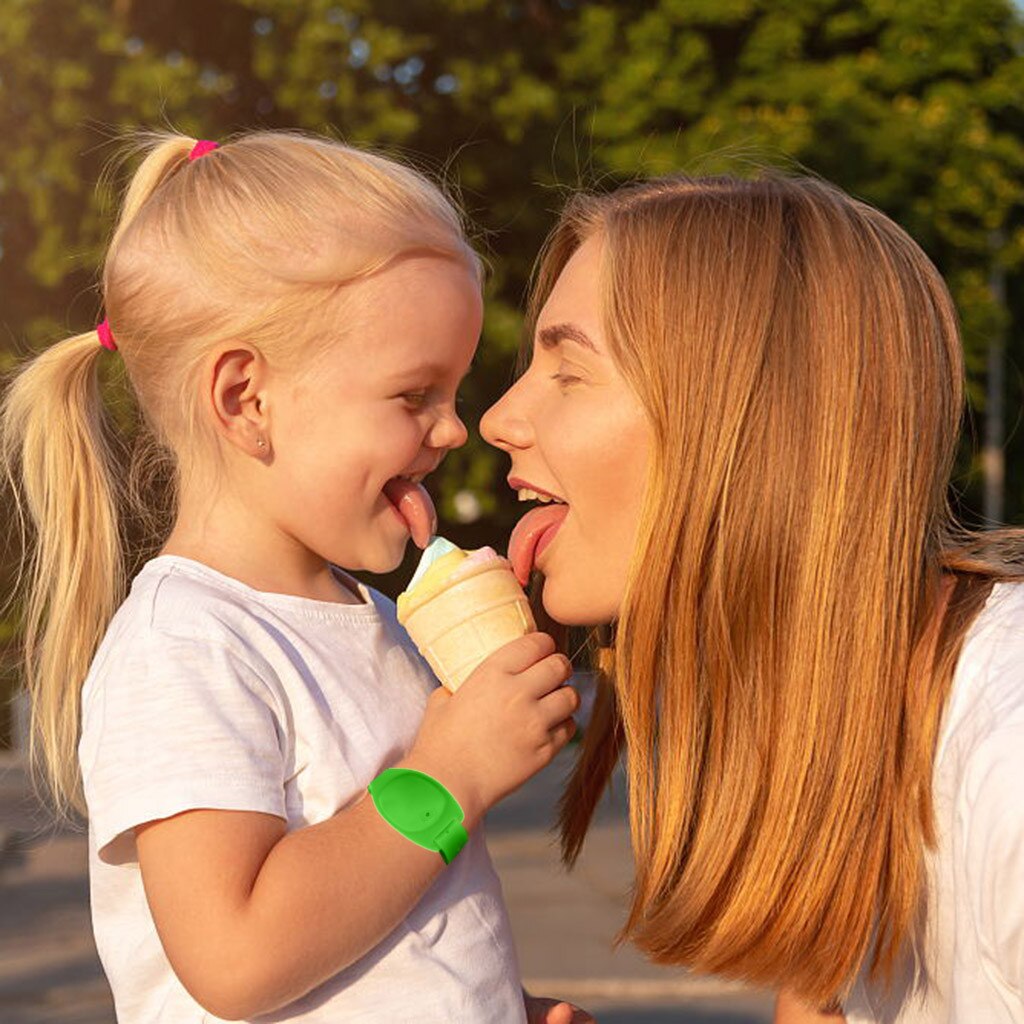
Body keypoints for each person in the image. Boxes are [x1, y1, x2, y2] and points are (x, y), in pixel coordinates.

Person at [0, 130, 592, 1024]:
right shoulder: (186, 645)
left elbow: (376, 930)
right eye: (413, 396)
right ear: (247, 401)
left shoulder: (366, 617)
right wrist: (451, 778)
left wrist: (492, 1001)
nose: (453, 430)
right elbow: (236, 957)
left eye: (454, 392)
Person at [481, 172, 1024, 1023]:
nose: (497, 419)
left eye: (569, 373)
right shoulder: (839, 727)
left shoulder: (1008, 752)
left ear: (744, 423)